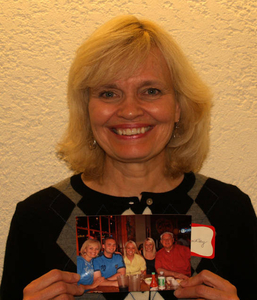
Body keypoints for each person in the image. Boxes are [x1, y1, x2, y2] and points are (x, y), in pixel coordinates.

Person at [1, 15, 257, 300]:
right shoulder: (38, 217)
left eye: (151, 91)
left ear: (178, 107)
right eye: (109, 93)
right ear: (87, 110)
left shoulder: (230, 210)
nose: (130, 110)